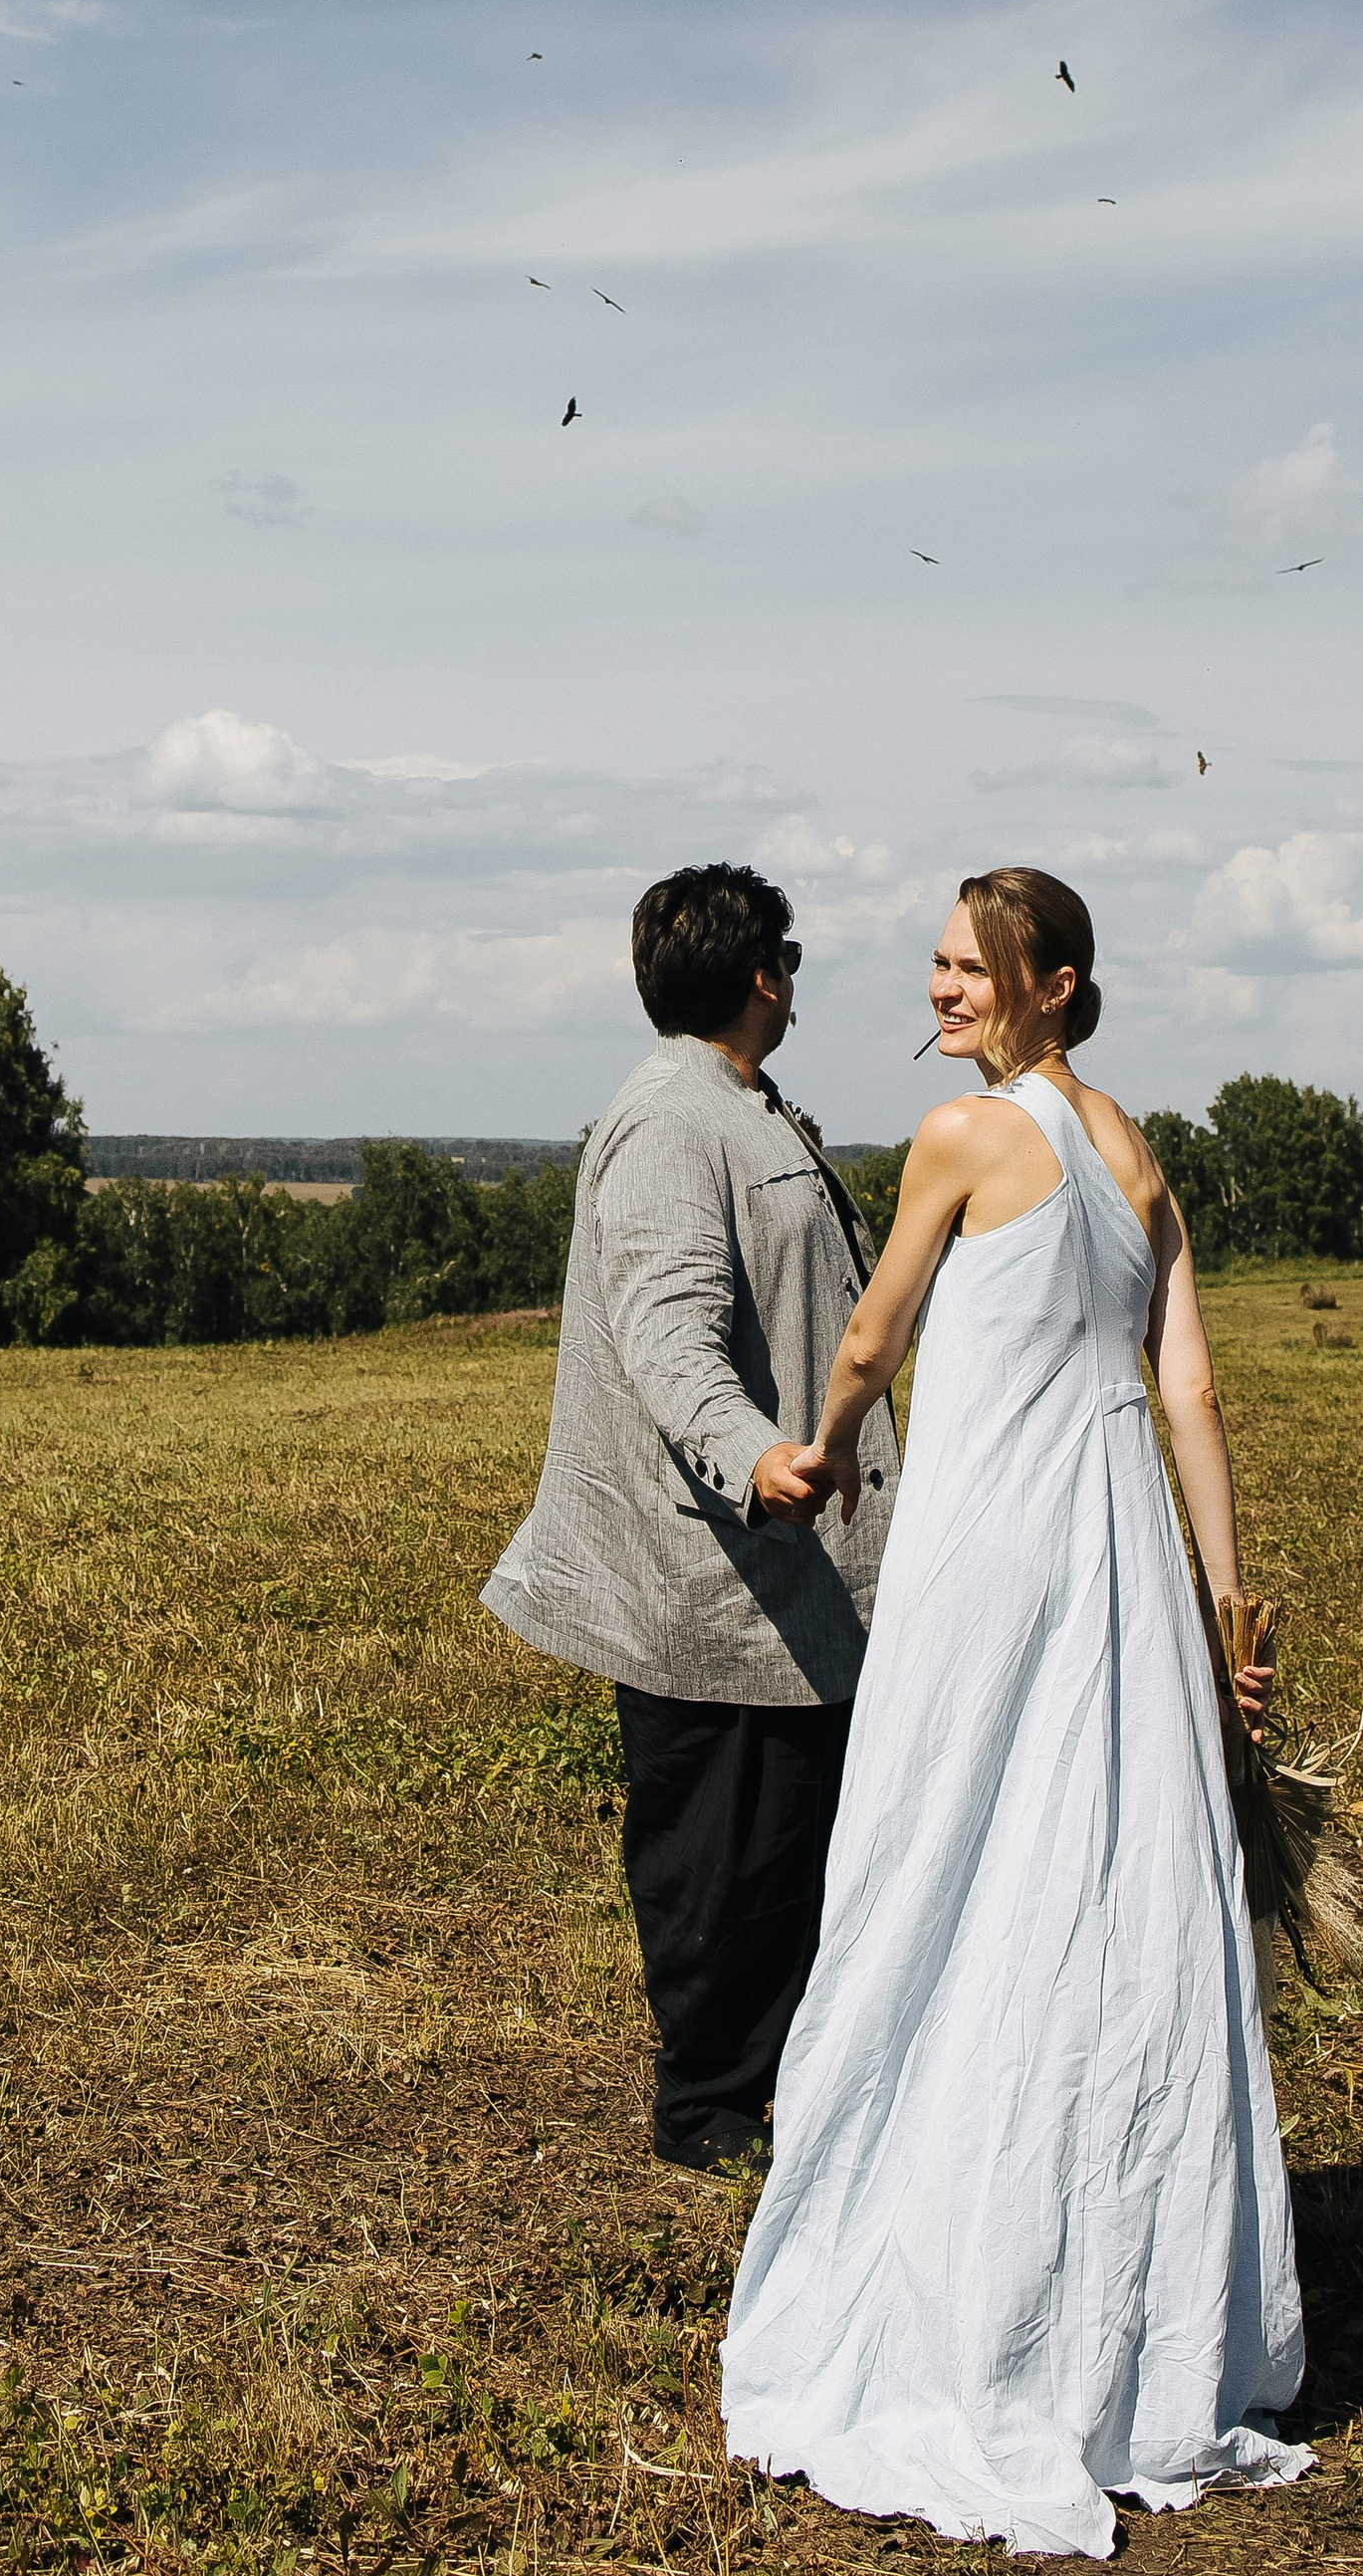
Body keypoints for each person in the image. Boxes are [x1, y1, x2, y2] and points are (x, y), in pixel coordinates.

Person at [719, 867, 1310, 2555]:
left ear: (1051, 983)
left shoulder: (964, 1136)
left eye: (973, 965)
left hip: (989, 1544)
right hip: (1121, 1556)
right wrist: (1228, 1608)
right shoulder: (1138, 1154)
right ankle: (1124, 2309)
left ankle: (946, 2280)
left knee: (932, 1868)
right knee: (1106, 1890)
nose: (945, 985)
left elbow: (872, 1334)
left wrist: (828, 1447)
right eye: (939, 961)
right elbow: (1189, 1389)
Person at [482, 861, 898, 2175]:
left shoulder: (740, 1105)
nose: (794, 976)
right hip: (709, 1579)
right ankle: (707, 2113)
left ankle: (765, 2089)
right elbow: (667, 1334)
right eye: (789, 955)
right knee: (720, 1853)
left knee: (782, 1840)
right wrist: (756, 1455)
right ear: (762, 974)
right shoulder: (673, 1121)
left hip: (777, 1573)